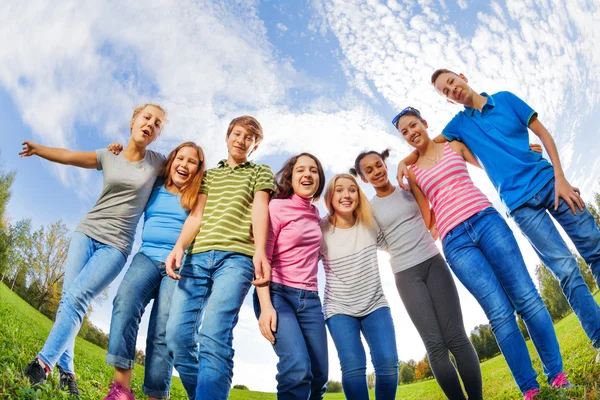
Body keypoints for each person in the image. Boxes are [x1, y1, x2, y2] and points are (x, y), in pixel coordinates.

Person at [398, 69, 600, 363]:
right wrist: (404, 161)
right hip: (520, 206)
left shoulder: (505, 99)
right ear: (447, 100)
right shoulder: (459, 126)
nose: (452, 90)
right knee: (566, 270)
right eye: (445, 91)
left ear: (462, 77)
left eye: (452, 82)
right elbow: (426, 145)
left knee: (595, 249)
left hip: (550, 182)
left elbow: (542, 134)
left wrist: (561, 177)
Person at [394, 106, 572, 399]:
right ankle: (530, 389)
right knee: (500, 313)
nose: (412, 133)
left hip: (487, 221)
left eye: (414, 125)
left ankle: (557, 376)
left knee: (527, 298)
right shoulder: (411, 173)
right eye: (405, 132)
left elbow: (491, 161)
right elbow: (426, 218)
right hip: (456, 242)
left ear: (424, 123)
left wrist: (520, 149)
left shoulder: (454, 145)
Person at [21, 104, 167, 397]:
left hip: (116, 246)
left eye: (158, 124)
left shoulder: (158, 163)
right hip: (86, 232)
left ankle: (42, 364)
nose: (150, 124)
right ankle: (68, 373)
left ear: (157, 134)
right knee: (68, 301)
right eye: (146, 117)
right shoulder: (109, 155)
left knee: (77, 297)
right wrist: (39, 149)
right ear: (133, 121)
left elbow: (187, 169)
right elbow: (70, 156)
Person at [352, 148, 482, 400]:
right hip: (405, 273)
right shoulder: (370, 209)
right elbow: (377, 242)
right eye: (369, 170)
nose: (376, 171)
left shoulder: (409, 188)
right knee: (435, 346)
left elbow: (429, 204)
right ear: (364, 179)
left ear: (385, 165)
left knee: (456, 337)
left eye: (378, 165)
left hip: (434, 262)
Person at [164, 116, 275, 400]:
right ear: (227, 138)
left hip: (236, 259)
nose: (241, 140)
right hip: (197, 256)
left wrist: (260, 250)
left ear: (255, 145)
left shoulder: (260, 172)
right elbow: (196, 215)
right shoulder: (210, 176)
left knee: (214, 334)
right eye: (237, 134)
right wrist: (179, 246)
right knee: (177, 336)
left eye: (248, 138)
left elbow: (260, 209)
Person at [103, 142, 205, 400]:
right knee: (125, 303)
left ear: (198, 169)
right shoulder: (154, 185)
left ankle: (156, 396)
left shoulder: (198, 195)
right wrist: (118, 150)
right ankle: (121, 389)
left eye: (192, 161)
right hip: (147, 256)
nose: (184, 164)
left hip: (180, 264)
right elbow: (131, 169)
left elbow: (199, 220)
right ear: (171, 162)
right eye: (180, 158)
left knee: (162, 330)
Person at [253, 153, 329, 400]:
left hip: (310, 300)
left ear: (319, 178)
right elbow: (262, 256)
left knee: (319, 376)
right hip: (277, 293)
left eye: (313, 170)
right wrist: (265, 306)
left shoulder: (316, 214)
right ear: (291, 176)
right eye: (301, 170)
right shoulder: (276, 207)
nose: (307, 174)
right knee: (297, 368)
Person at [320, 173, 398, 400]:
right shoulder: (320, 230)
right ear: (330, 197)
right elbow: (301, 259)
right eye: (339, 190)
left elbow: (394, 246)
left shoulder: (369, 222)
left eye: (352, 189)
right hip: (339, 308)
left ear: (358, 194)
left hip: (375, 303)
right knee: (353, 367)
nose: (346, 195)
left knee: (389, 364)